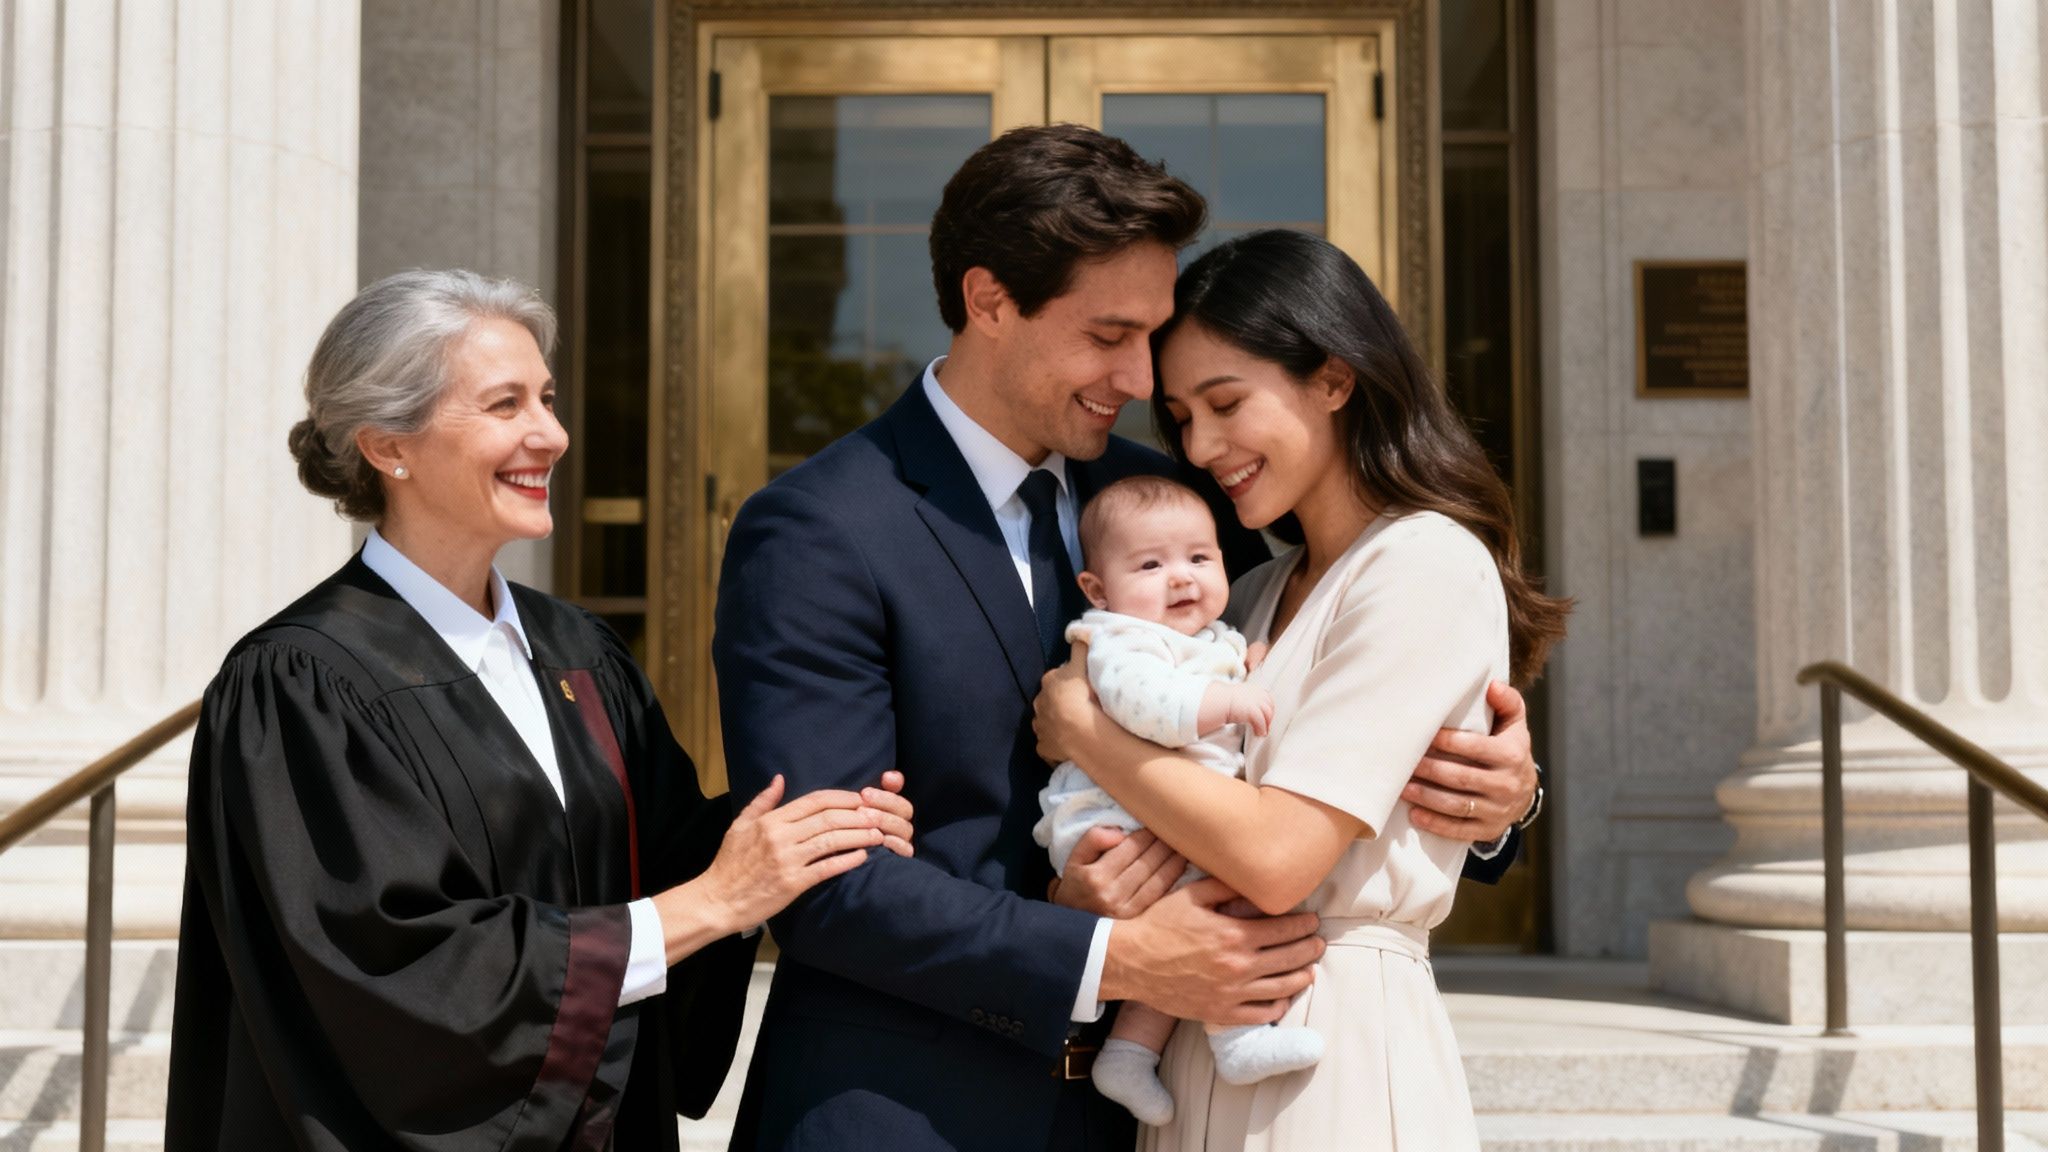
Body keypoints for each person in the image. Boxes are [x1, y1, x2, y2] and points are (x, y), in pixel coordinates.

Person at [713, 125, 1542, 1152]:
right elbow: (824, 886)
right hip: (906, 1110)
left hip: (1143, 1113)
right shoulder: (819, 526)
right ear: (988, 303)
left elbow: (1321, 703)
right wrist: (1102, 947)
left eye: (1153, 336)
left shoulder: (1176, 498)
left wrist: (1490, 799)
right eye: (1109, 335)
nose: (1146, 381)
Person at [165, 270, 915, 1152]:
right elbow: (402, 971)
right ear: (386, 446)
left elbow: (668, 859)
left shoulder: (578, 654)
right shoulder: (300, 685)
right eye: (504, 404)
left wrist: (805, 831)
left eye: (548, 399)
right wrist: (713, 902)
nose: (551, 435)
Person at [1034, 228, 1573, 1150]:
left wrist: (1087, 731)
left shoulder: (1425, 561)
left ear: (1333, 377)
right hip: (1194, 1038)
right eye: (1181, 417)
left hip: (1332, 1050)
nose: (1200, 446)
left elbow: (1282, 857)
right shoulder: (1244, 593)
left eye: (1225, 403)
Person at [1033, 475, 1322, 1127]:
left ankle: (1129, 1054)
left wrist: (1251, 664)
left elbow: (1220, 669)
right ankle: (1237, 1035)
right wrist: (1227, 700)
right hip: (1115, 823)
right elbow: (1147, 706)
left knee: (1184, 931)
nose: (1181, 578)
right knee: (1226, 903)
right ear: (1098, 591)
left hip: (1155, 817)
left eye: (1199, 558)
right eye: (1151, 565)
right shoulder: (1117, 638)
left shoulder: (1208, 635)